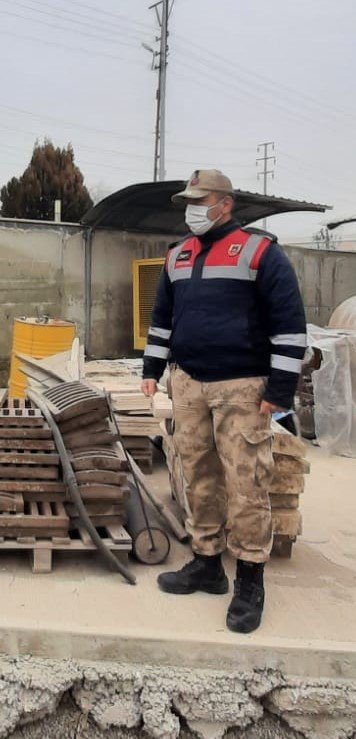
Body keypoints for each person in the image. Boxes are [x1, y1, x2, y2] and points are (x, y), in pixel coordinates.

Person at [141, 169, 306, 633]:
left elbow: (290, 325)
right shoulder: (177, 257)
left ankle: (250, 581)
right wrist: (152, 371)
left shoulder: (260, 253)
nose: (193, 210)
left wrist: (279, 390)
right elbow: (161, 321)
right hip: (189, 383)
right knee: (198, 476)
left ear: (225, 204)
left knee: (247, 484)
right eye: (189, 202)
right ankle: (207, 565)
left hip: (243, 388)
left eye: (202, 200)